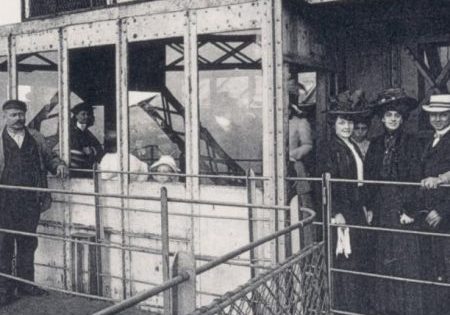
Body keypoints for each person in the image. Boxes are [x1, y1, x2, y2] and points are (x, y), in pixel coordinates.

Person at [0, 100, 67, 305]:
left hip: (30, 200)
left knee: (28, 241)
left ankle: (26, 284)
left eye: (21, 114)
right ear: (4, 116)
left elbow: (50, 158)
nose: (19, 119)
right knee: (4, 244)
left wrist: (58, 166)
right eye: (13, 115)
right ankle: (4, 288)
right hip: (4, 200)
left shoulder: (36, 137)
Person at [364, 88, 423, 315]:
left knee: (406, 255)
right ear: (382, 118)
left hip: (402, 204)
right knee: (382, 254)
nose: (393, 119)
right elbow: (370, 176)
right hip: (381, 205)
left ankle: (406, 308)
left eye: (397, 116)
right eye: (389, 115)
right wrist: (369, 206)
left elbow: (415, 176)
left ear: (403, 118)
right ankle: (384, 307)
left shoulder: (411, 142)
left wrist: (409, 209)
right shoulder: (376, 143)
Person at [319, 90, 371, 314]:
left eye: (350, 122)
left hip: (355, 207)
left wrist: (366, 206)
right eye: (342, 122)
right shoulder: (329, 147)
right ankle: (344, 307)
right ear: (334, 124)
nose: (347, 127)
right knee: (345, 258)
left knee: (357, 257)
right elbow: (327, 183)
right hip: (341, 210)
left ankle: (356, 306)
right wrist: (336, 212)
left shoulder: (350, 145)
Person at [418, 94, 450, 315]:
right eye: (433, 115)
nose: (438, 119)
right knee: (437, 265)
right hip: (431, 213)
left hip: (444, 214)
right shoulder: (433, 139)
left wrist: (442, 211)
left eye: (443, 115)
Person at [70, 102, 103, 176]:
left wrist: (91, 151)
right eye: (83, 114)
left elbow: (99, 149)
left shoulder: (87, 132)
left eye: (87, 114)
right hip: (76, 171)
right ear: (76, 116)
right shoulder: (71, 132)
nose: (86, 117)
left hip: (87, 170)